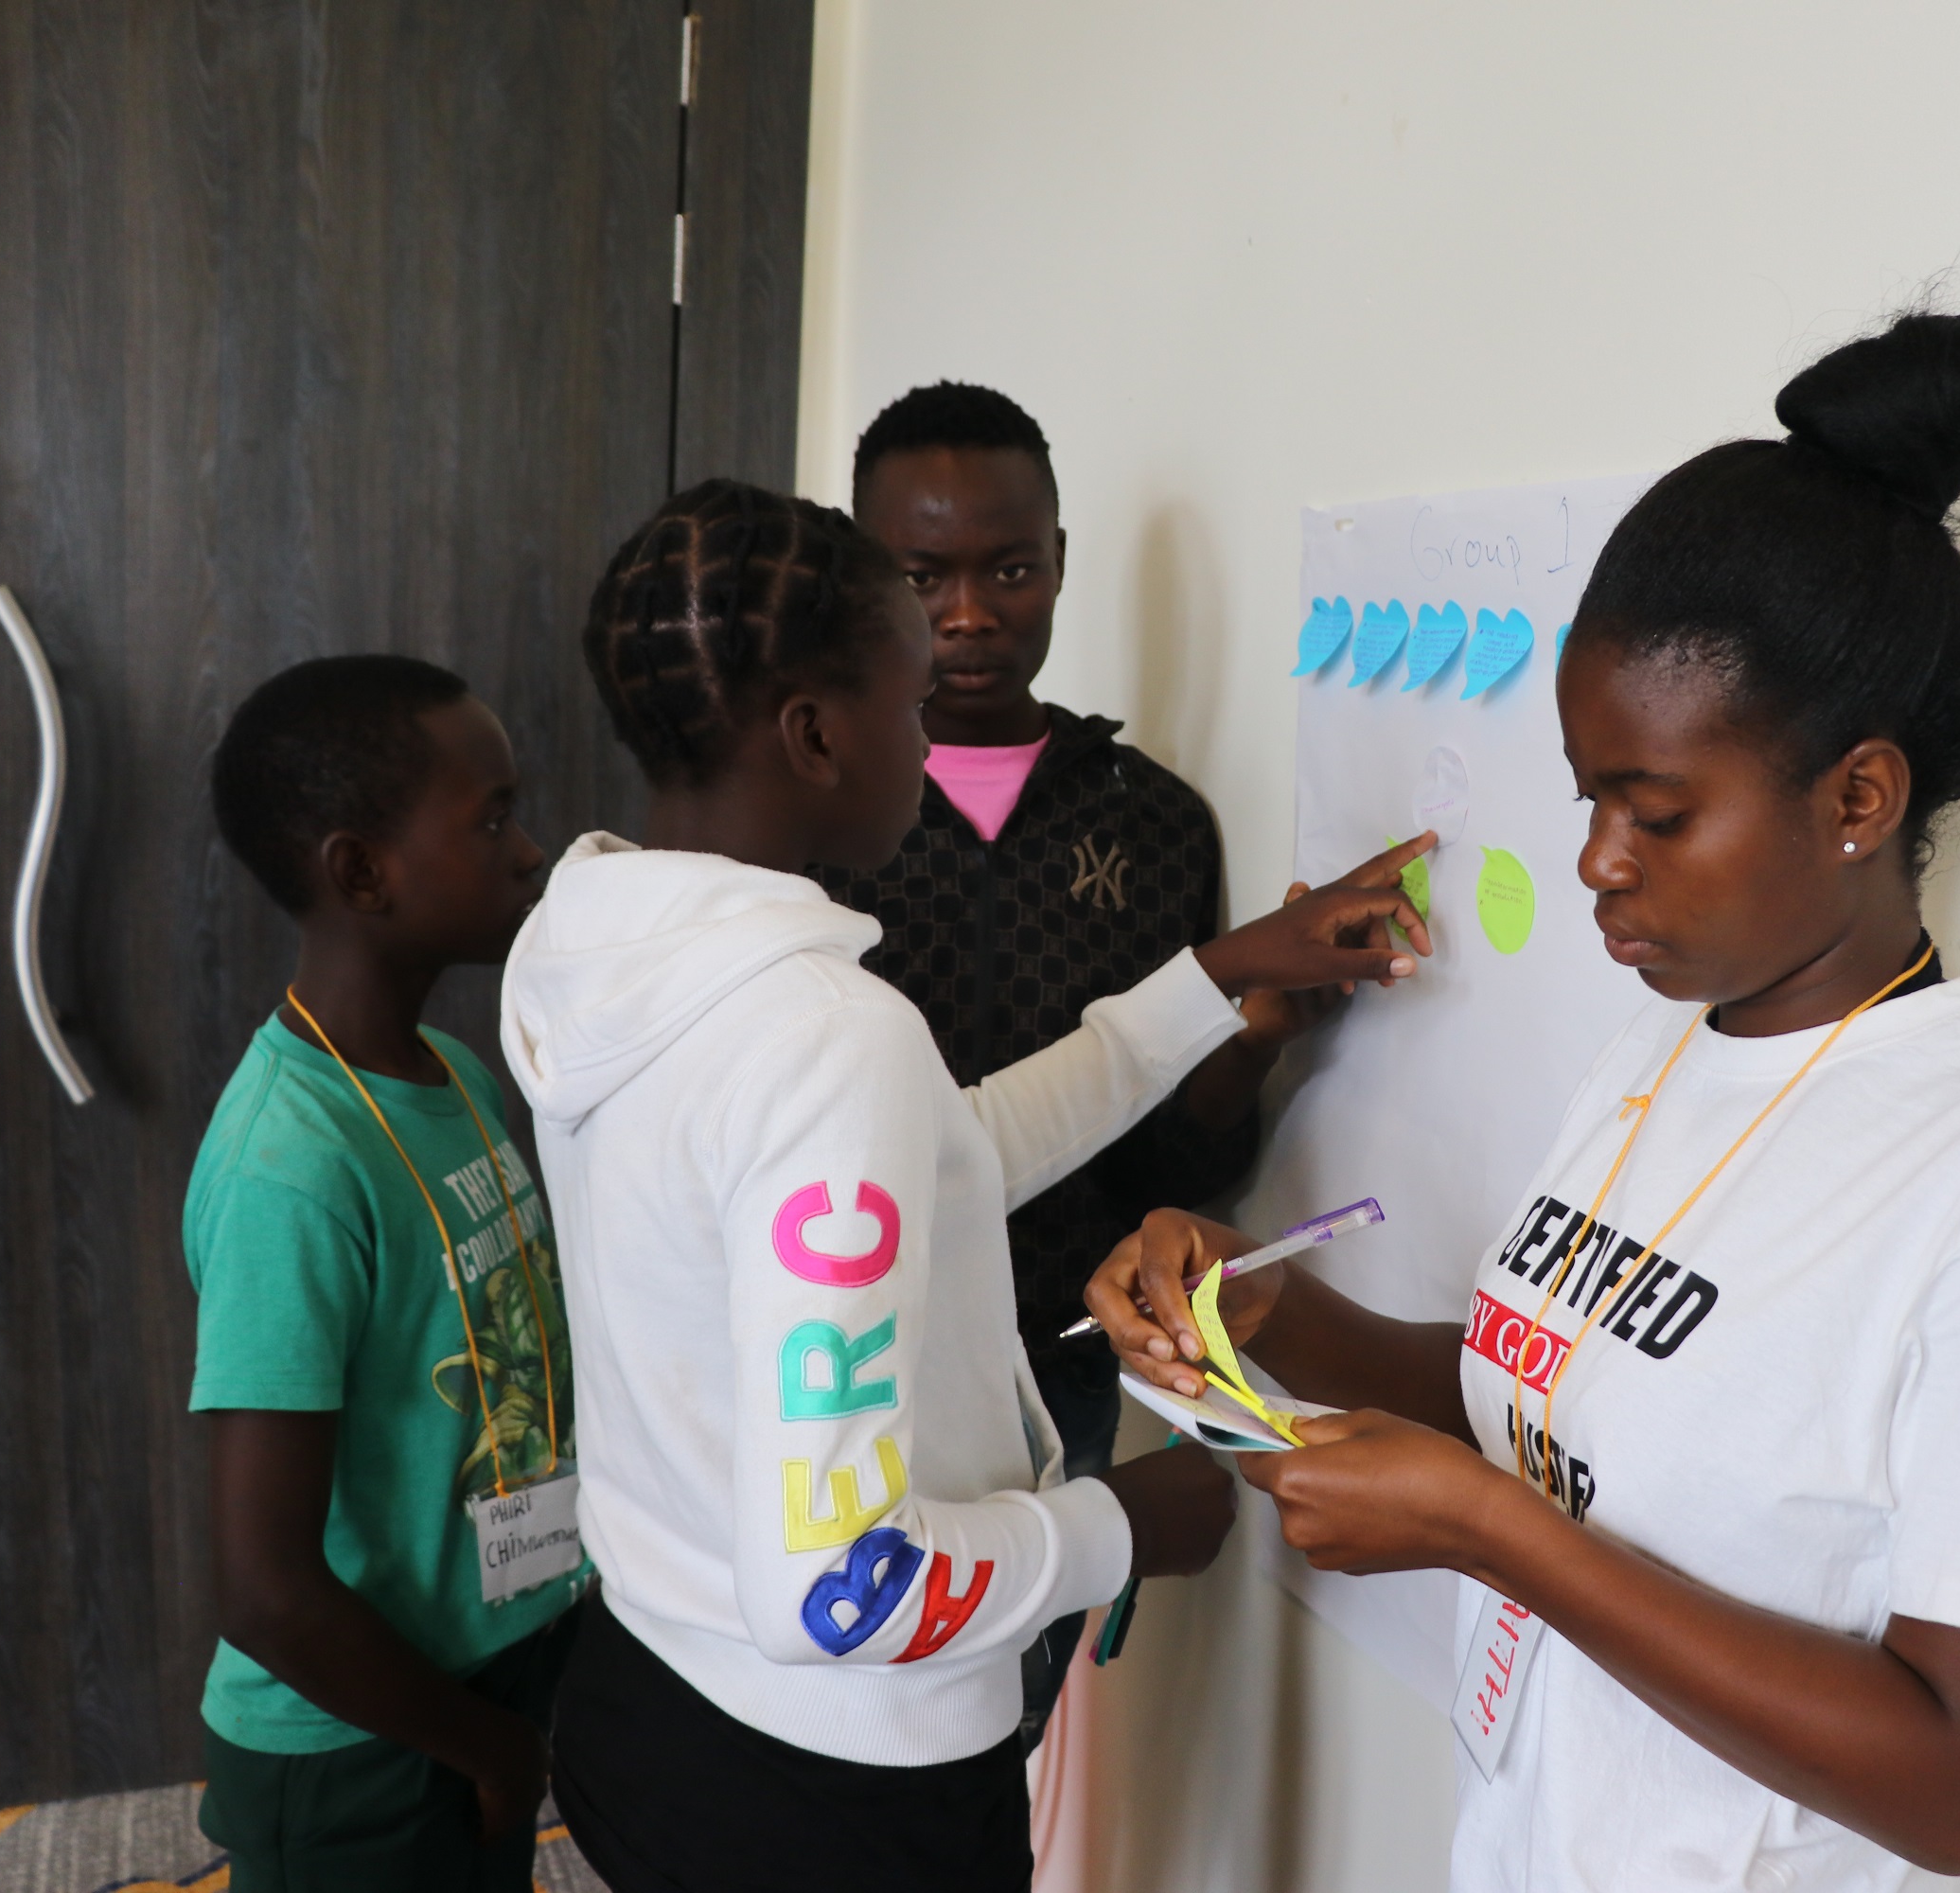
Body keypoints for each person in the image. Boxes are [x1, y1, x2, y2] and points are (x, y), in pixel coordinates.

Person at [1091, 295, 1960, 1891]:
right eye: (1590, 792)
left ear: (1859, 795)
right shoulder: (1658, 1055)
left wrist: (1487, 1534)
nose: (1596, 860)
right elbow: (1544, 1407)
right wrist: (1273, 1317)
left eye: (1656, 811)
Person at [499, 480, 1431, 1893]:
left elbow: (944, 1161)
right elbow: (836, 1586)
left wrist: (1224, 973)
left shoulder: (595, 949)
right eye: (912, 705)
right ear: (816, 734)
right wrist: (1128, 1528)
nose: (928, 744)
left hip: (649, 1688)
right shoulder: (819, 1036)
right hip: (828, 1789)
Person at [818, 380, 1333, 1742]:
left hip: (1059, 1353)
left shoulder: (1155, 824)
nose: (972, 614)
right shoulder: (816, 805)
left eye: (1012, 569)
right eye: (922, 575)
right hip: (841, 1333)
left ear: (1059, 563)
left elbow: (1186, 1161)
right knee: (833, 1681)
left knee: (1006, 1704)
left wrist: (1246, 1052)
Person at [189, 656, 584, 1892]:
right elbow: (265, 1590)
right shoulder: (289, 1167)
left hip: (480, 1672)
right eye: (492, 818)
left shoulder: (454, 1077)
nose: (531, 852)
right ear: (362, 870)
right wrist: (494, 1752)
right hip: (361, 1740)